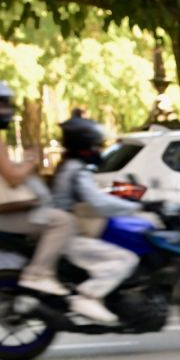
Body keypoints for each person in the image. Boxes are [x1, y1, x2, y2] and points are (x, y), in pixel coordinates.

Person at [0, 80, 73, 295]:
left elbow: (7, 171)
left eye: (5, 105)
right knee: (63, 222)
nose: (3, 111)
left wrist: (25, 164)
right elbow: (12, 178)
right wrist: (30, 161)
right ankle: (38, 274)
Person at [49, 116, 147, 326]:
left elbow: (95, 195)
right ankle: (88, 297)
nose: (98, 150)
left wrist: (126, 196)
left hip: (68, 233)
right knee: (126, 260)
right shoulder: (75, 170)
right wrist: (137, 206)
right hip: (70, 237)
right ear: (84, 145)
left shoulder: (70, 167)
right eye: (95, 145)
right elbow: (97, 202)